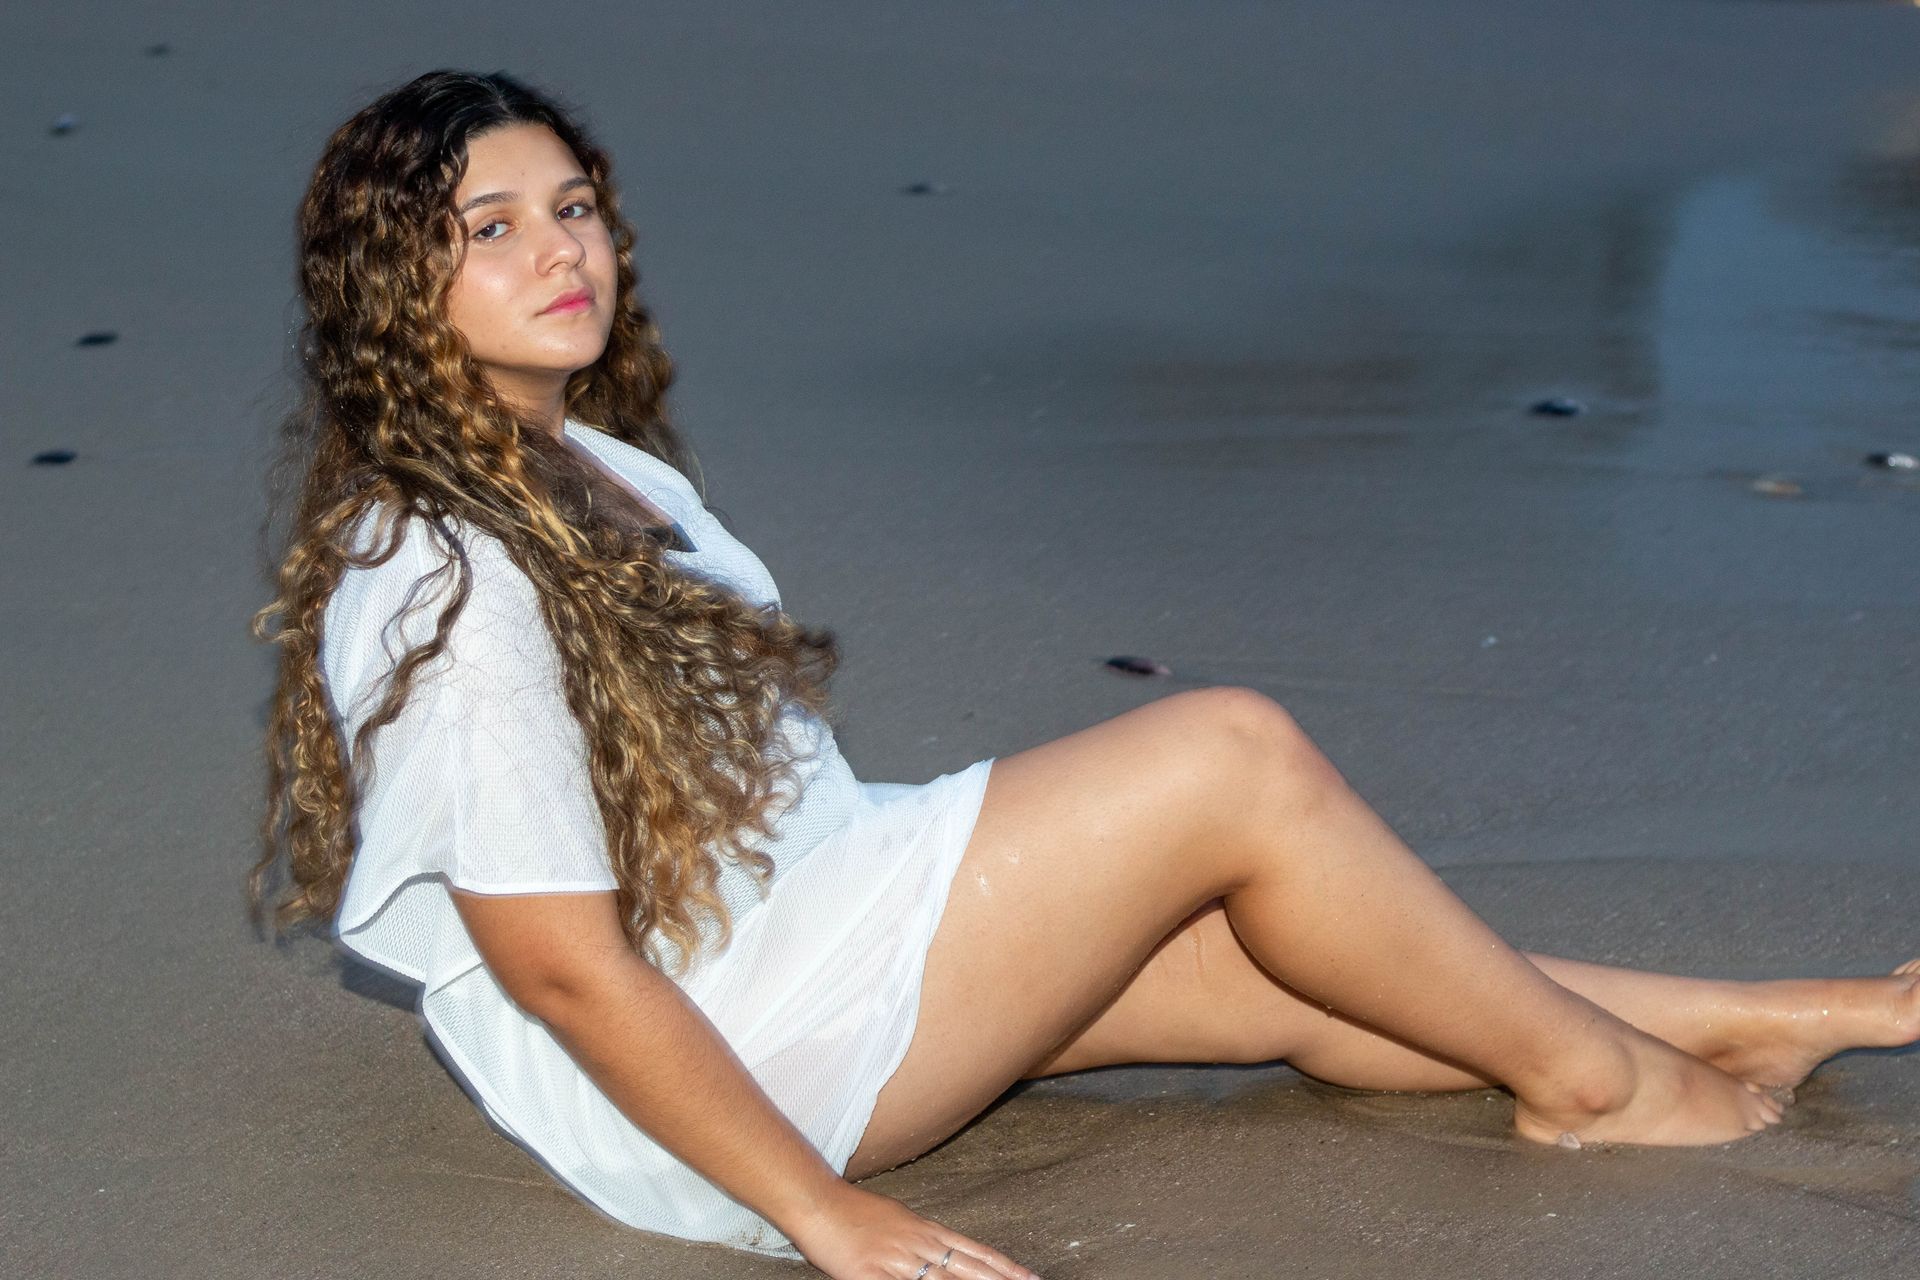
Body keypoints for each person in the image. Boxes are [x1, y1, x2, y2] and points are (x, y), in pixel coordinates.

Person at [250, 69, 1919, 1280]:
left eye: (576, 207)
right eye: (493, 229)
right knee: (1230, 756)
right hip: (742, 1049)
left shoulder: (585, 464)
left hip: (803, 911)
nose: (566, 252)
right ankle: (1598, 1087)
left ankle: (1781, 1019)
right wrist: (827, 1219)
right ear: (400, 285)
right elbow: (560, 972)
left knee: (1283, 966)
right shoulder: (445, 576)